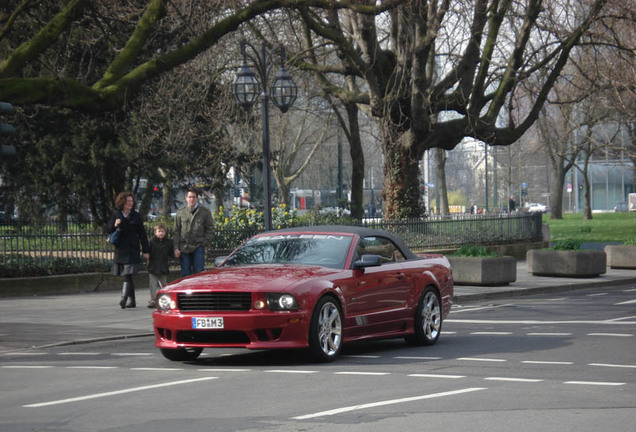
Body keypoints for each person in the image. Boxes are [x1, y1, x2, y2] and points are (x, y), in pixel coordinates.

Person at [107, 191, 150, 309]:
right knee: (128, 275)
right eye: (128, 201)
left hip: (132, 248)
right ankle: (132, 301)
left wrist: (146, 250)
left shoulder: (136, 216)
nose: (130, 203)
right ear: (122, 203)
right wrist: (115, 225)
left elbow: (142, 233)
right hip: (121, 249)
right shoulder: (116, 214)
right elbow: (108, 229)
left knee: (127, 274)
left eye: (131, 201)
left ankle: (123, 298)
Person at [173, 187, 215, 276]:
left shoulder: (205, 212)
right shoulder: (180, 212)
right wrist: (176, 248)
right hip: (184, 247)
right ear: (186, 198)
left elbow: (210, 228)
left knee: (199, 273)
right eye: (190, 197)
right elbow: (176, 231)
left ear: (197, 198)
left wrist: (204, 242)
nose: (191, 199)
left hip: (198, 246)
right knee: (185, 273)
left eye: (194, 197)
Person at [147, 223, 174, 308]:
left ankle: (166, 299)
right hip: (153, 266)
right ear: (155, 233)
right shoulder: (151, 241)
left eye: (162, 231)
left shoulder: (168, 242)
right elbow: (147, 251)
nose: (161, 233)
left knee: (164, 284)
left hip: (163, 266)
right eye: (159, 231)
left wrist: (175, 254)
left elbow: (171, 253)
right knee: (153, 285)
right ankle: (153, 300)